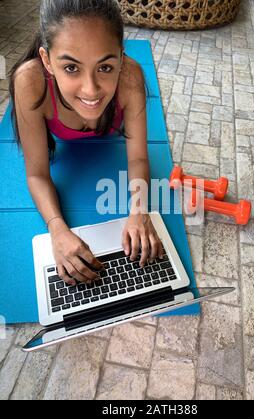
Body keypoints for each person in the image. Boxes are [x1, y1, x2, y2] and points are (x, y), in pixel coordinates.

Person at [8, 0, 164, 286]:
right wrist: (57, 230)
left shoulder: (130, 77)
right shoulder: (29, 81)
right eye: (71, 68)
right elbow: (36, 174)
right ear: (47, 61)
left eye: (105, 67)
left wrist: (139, 211)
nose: (91, 89)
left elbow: (139, 158)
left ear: (121, 56)